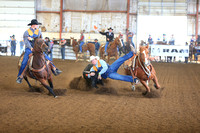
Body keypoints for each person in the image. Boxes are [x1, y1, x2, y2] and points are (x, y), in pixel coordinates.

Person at [16, 19, 62, 84]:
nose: (37, 26)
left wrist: (32, 38)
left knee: (48, 58)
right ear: (33, 25)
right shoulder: (27, 32)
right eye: (37, 25)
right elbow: (26, 42)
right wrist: (31, 48)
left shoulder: (38, 31)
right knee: (24, 62)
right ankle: (20, 76)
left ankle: (55, 69)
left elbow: (40, 40)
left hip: (37, 48)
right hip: (29, 49)